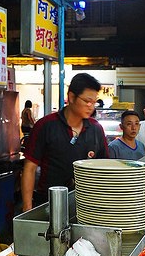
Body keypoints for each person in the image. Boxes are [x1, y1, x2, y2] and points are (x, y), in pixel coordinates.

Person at [21, 73, 108, 211]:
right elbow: (30, 168)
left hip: (86, 204)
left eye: (94, 102)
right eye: (87, 101)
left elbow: (105, 169)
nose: (91, 107)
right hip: (49, 203)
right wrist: (27, 209)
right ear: (72, 97)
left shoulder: (95, 129)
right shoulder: (46, 125)